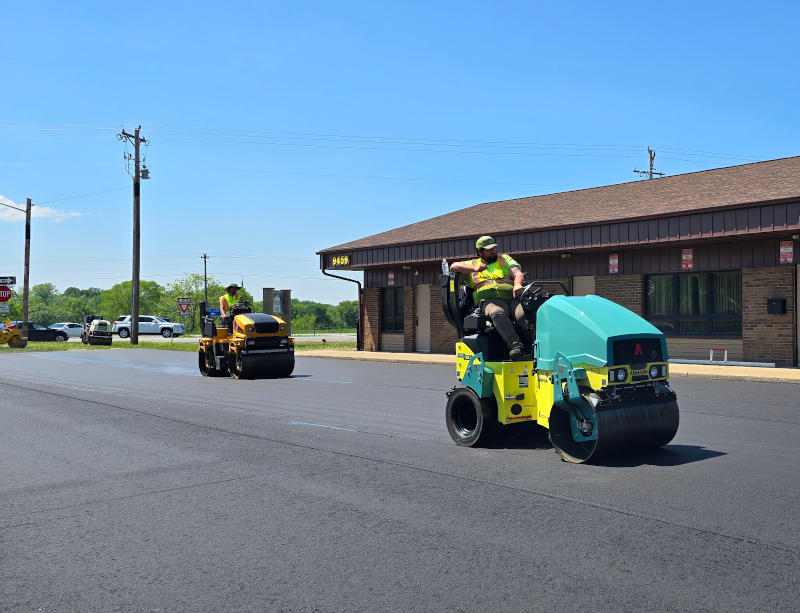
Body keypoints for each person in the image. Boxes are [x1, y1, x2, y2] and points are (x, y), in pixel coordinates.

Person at [449, 235, 527, 360]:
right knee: (497, 313)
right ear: (480, 252)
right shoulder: (473, 264)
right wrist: (474, 269)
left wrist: (517, 284)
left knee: (523, 315)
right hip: (489, 301)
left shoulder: (504, 259)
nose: (493, 251)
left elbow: (518, 274)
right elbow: (453, 266)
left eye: (494, 248)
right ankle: (516, 346)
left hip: (512, 298)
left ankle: (534, 345)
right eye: (489, 250)